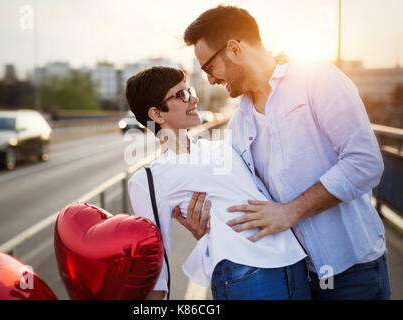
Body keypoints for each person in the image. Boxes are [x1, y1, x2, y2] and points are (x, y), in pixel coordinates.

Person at [176, 5, 390, 300]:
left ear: (235, 49)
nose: (210, 80)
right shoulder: (240, 123)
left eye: (209, 68)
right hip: (292, 277)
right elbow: (245, 197)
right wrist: (210, 228)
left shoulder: (317, 79)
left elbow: (365, 163)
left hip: (353, 273)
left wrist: (290, 212)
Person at [125, 66, 311, 300]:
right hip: (246, 276)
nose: (194, 98)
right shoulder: (148, 179)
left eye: (189, 90)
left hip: (294, 263)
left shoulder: (223, 145)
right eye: (181, 95)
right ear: (157, 115)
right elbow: (155, 263)